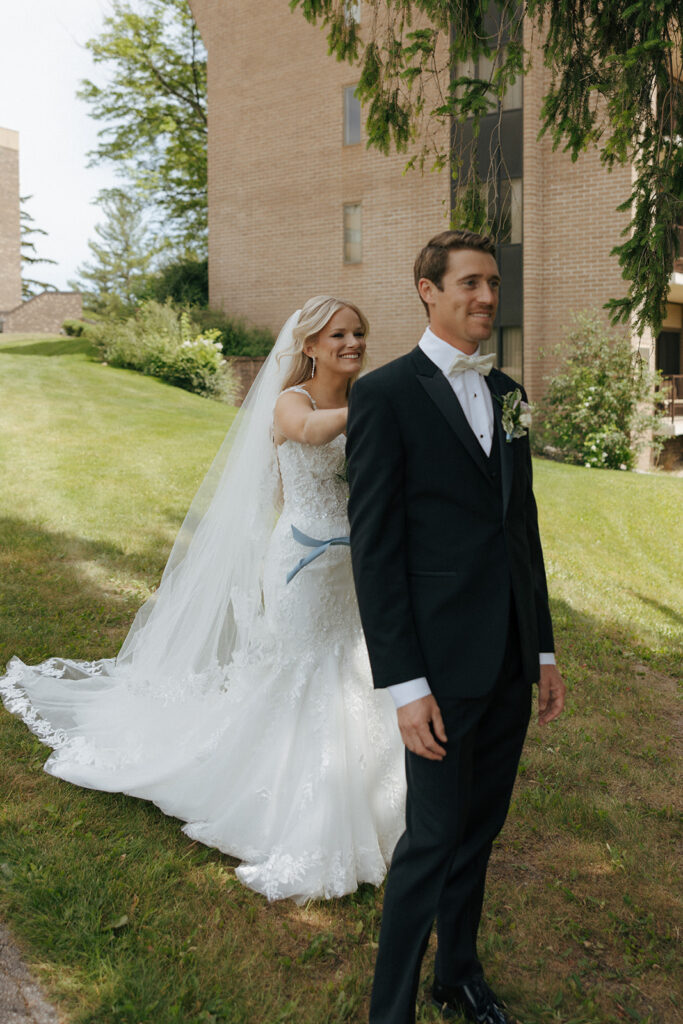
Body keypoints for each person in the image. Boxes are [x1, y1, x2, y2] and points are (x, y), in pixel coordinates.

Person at [0, 296, 405, 904]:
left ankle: (374, 797)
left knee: (348, 669)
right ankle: (277, 801)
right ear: (311, 347)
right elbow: (314, 432)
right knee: (297, 673)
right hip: (300, 566)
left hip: (352, 572)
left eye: (359, 334)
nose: (353, 343)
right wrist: (384, 403)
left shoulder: (365, 401)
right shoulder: (291, 402)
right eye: (339, 335)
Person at [346, 231, 566, 1024]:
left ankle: (457, 974)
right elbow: (375, 554)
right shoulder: (384, 395)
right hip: (435, 671)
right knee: (431, 839)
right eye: (469, 283)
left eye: (493, 284)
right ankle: (390, 1008)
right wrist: (405, 686)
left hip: (507, 657)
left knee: (478, 832)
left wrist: (540, 649)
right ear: (426, 290)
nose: (485, 297)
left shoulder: (508, 393)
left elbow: (521, 528)